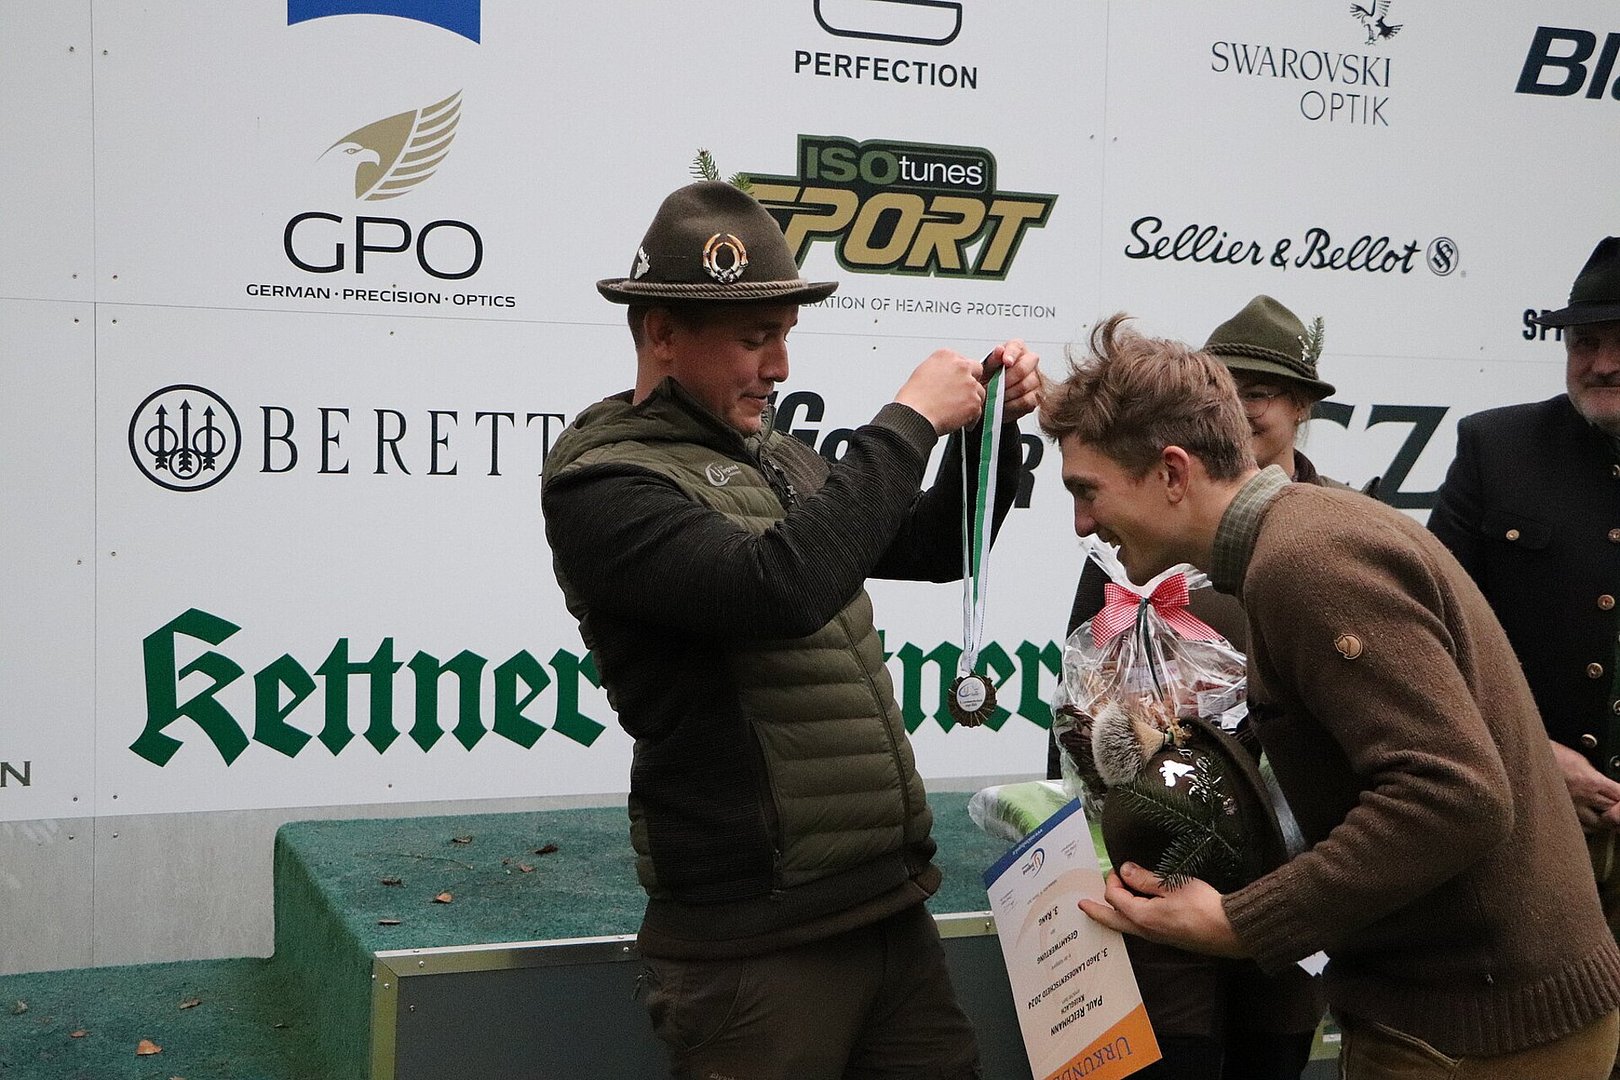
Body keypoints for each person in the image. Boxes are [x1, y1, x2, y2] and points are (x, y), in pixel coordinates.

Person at [540, 180, 1042, 1080]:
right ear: (662, 332)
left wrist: (986, 433)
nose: (778, 365)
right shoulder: (605, 484)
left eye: (784, 335)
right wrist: (910, 421)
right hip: (753, 944)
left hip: (887, 911)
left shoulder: (779, 458)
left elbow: (933, 546)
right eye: (754, 337)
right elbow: (779, 588)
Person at [1041, 313, 1620, 1078]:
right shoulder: (1300, 537)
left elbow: (1454, 796)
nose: (1082, 523)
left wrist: (1241, 923)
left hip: (1478, 1031)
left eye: (1087, 492)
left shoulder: (1305, 561)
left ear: (1174, 473)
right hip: (1465, 1008)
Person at [1048, 296, 1345, 1080]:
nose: (1237, 410)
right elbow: (1077, 697)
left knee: (1269, 1052)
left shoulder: (1336, 531)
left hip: (1284, 875)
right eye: (1225, 389)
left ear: (1303, 406)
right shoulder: (1131, 537)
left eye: (1259, 393)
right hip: (1157, 865)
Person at [1429, 236, 1620, 1076]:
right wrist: (1532, 758)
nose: (1601, 363)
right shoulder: (1496, 447)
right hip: (1530, 842)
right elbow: (1426, 639)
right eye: (1585, 341)